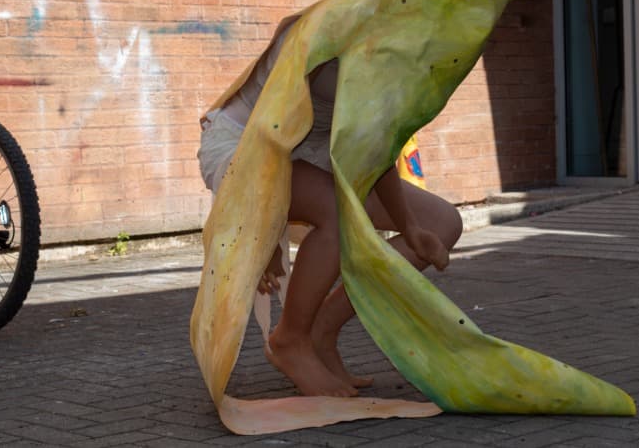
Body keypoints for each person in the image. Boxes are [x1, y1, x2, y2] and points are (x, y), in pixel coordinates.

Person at [197, 21, 462, 397]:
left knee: (441, 223)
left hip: (315, 148)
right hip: (245, 147)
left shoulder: (399, 61)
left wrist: (411, 227)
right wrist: (266, 238)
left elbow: (375, 150)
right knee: (336, 213)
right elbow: (266, 138)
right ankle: (290, 339)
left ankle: (321, 330)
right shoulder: (319, 43)